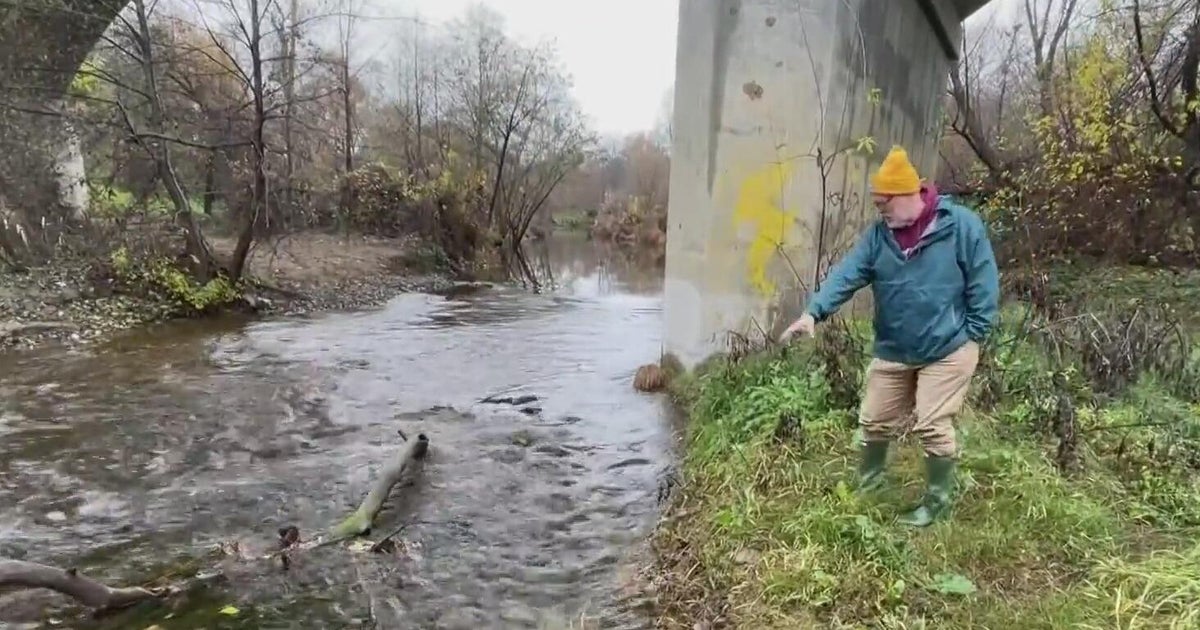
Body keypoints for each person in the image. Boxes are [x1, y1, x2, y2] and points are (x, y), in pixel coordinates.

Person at [780, 145, 1000, 527]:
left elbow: (984, 284)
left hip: (948, 347)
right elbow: (848, 274)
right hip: (895, 348)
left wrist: (973, 334)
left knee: (932, 423)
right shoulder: (880, 237)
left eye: (884, 202)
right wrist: (813, 312)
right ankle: (872, 487)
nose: (880, 210)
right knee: (874, 420)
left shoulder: (961, 225)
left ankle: (936, 504)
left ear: (908, 194)